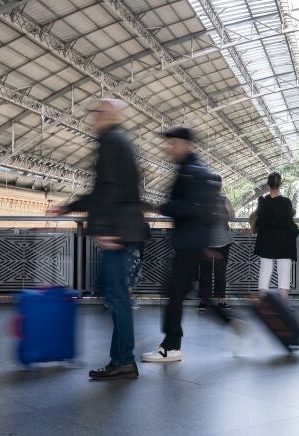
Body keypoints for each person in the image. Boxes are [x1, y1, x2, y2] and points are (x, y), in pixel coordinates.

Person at [48, 99, 148, 380]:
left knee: (117, 296)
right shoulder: (119, 142)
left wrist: (106, 229)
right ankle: (121, 359)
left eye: (100, 112)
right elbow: (105, 191)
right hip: (122, 229)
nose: (94, 118)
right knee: (111, 293)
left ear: (112, 115)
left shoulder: (112, 143)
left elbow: (109, 191)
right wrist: (67, 207)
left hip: (118, 232)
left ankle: (124, 360)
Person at [142, 127, 241, 363]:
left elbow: (193, 208)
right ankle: (233, 324)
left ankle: (171, 346)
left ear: (188, 145)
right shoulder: (191, 170)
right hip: (191, 242)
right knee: (191, 292)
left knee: (175, 293)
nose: (170, 148)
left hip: (188, 242)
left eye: (174, 143)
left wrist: (162, 207)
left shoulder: (191, 172)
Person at [254, 172, 298, 299]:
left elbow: (259, 219)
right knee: (284, 272)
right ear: (281, 184)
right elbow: (289, 221)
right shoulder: (286, 202)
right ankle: (283, 303)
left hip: (266, 241)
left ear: (268, 184)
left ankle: (263, 302)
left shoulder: (262, 202)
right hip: (284, 242)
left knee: (265, 271)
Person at [198, 174, 235, 311]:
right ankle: (220, 301)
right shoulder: (225, 200)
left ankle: (204, 301)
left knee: (205, 272)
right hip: (223, 241)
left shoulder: (203, 200)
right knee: (220, 272)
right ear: (220, 186)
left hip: (206, 241)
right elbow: (232, 217)